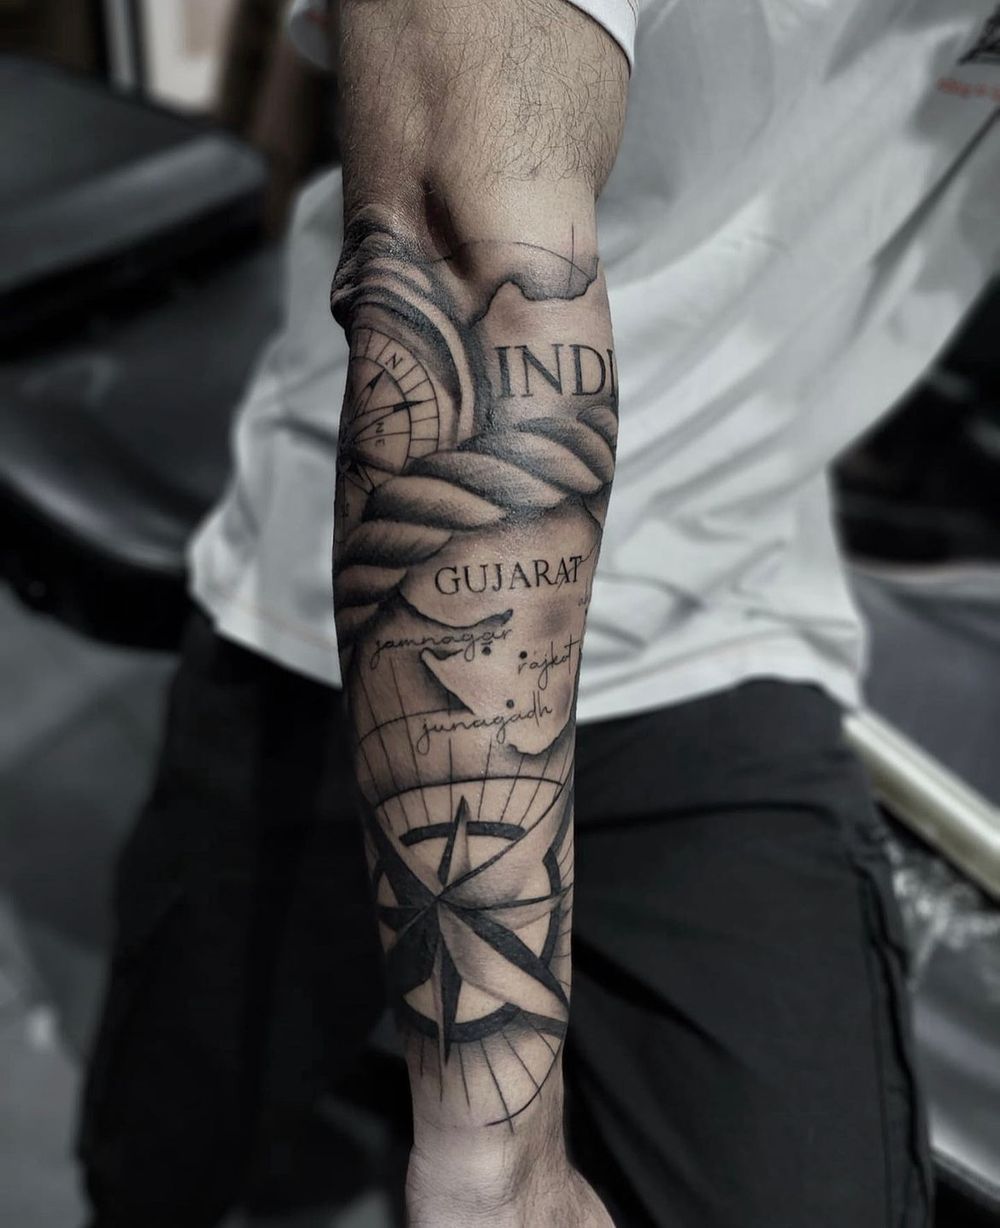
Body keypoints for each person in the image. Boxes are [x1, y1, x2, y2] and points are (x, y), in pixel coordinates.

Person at [79, 1, 1000, 1225]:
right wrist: (492, 1153)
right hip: (356, 625)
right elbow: (473, 267)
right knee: (177, 1145)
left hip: (722, 606)